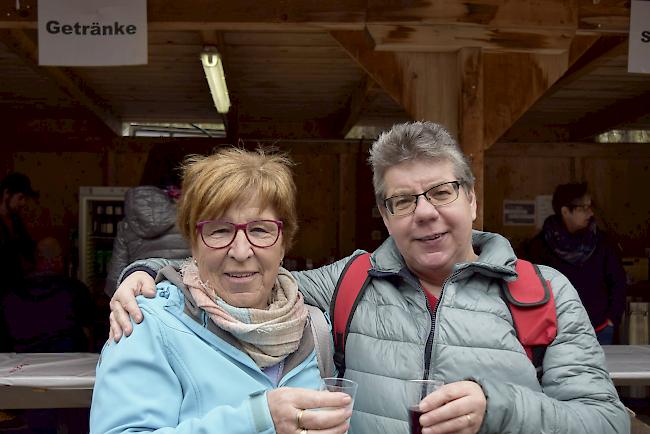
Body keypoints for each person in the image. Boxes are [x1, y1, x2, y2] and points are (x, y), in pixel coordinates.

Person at [108, 122, 630, 434]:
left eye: (442, 192)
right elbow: (253, 271)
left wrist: (498, 409)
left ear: (472, 198)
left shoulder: (543, 292)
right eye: (403, 200)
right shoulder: (350, 281)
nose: (424, 213)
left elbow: (609, 423)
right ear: (384, 214)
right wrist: (151, 275)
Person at [90, 148, 352, 434]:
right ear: (193, 245)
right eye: (219, 231)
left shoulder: (316, 331)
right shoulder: (146, 325)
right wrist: (259, 420)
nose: (240, 251)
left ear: (284, 244)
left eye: (260, 230)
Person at [524, 182, 627, 345]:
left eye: (590, 206)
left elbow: (618, 282)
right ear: (565, 211)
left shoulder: (603, 243)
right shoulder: (539, 247)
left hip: (600, 330)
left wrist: (612, 319)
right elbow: (530, 289)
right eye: (583, 208)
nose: (590, 212)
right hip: (556, 333)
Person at [1, 236, 94, 352]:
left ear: (36, 258)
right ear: (58, 260)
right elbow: (88, 332)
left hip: (21, 363)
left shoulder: (11, 293)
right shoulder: (75, 289)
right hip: (67, 361)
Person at [104, 184, 191, 295]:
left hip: (141, 297)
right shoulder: (193, 219)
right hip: (186, 296)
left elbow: (115, 277)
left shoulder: (127, 225)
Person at [0, 172, 38, 294]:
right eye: (20, 198)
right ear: (7, 194)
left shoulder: (16, 221)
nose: (23, 203)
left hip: (15, 291)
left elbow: (29, 249)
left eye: (25, 199)